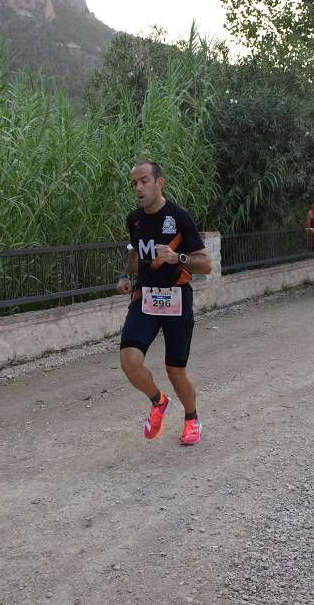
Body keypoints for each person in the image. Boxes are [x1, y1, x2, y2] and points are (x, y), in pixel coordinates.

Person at [115, 161, 211, 445]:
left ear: (160, 183)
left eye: (144, 181)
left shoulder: (179, 217)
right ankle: (158, 402)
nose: (139, 188)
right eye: (134, 184)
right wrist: (125, 275)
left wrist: (177, 257)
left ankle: (192, 418)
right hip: (145, 298)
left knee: (175, 370)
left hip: (177, 300)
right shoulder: (135, 219)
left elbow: (205, 264)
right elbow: (135, 254)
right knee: (129, 361)